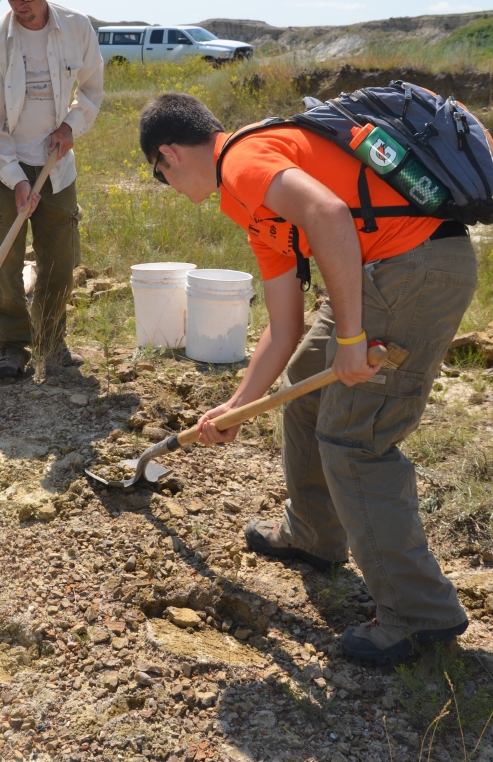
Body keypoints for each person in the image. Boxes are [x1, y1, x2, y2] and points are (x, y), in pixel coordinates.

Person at [139, 91, 477, 663]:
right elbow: (284, 322)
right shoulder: (247, 203)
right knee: (302, 393)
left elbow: (328, 214)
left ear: (169, 154)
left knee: (354, 439)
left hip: (412, 269)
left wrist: (350, 339)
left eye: (157, 175)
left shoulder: (243, 161)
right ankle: (314, 535)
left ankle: (420, 611)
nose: (166, 186)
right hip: (380, 273)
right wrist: (237, 403)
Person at [0, 0, 103, 379]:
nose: (19, 5)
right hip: (0, 162)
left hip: (55, 164)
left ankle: (50, 342)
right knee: (1, 261)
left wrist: (70, 126)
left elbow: (92, 88)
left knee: (59, 257)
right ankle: (9, 347)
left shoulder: (76, 28)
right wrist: (14, 178)